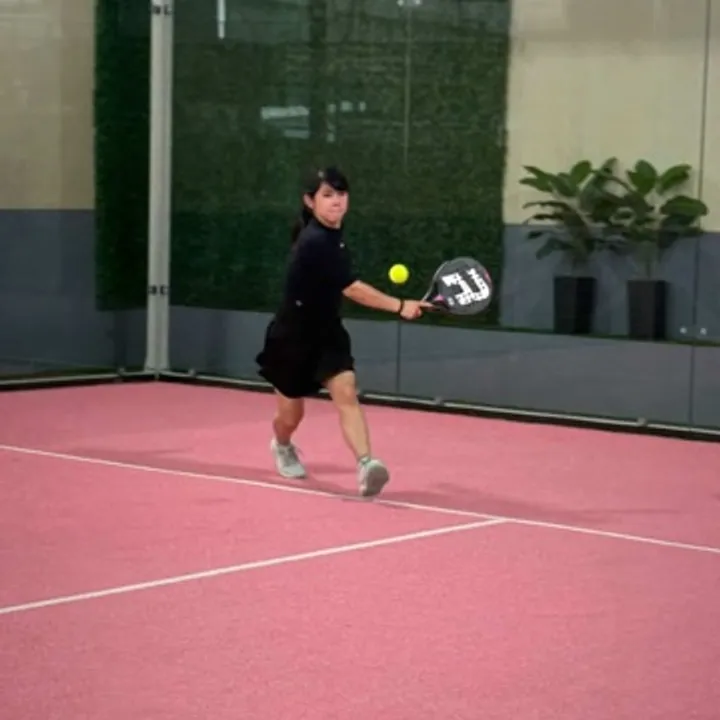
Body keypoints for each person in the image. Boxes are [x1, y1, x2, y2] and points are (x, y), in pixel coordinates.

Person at [255, 166, 431, 497]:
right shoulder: (315, 241)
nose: (336, 201)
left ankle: (366, 464)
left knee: (346, 391)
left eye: (341, 194)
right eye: (327, 195)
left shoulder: (334, 234)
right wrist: (399, 305)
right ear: (310, 201)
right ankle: (282, 444)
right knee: (291, 416)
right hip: (291, 337)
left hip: (327, 332)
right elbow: (352, 289)